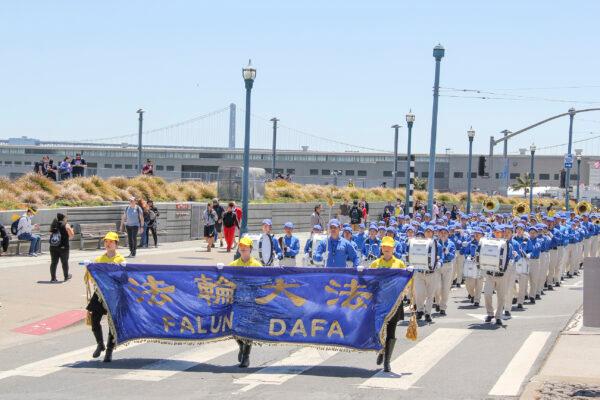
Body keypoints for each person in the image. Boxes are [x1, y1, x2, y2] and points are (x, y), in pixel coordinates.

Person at [369, 236, 408, 372]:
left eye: (389, 247)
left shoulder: (399, 264)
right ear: (381, 248)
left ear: (393, 249)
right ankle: (381, 351)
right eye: (384, 247)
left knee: (391, 331)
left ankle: (387, 361)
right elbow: (369, 281)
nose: (386, 249)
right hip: (379, 302)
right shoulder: (375, 264)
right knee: (378, 330)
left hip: (394, 303)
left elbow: (405, 282)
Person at [86, 231, 126, 363]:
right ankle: (100, 344)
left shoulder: (120, 260)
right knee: (94, 319)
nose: (108, 244)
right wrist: (89, 267)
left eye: (111, 242)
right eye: (106, 241)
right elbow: (93, 278)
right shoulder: (99, 259)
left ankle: (109, 351)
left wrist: (122, 270)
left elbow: (123, 279)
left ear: (116, 244)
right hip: (101, 294)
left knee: (112, 324)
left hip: (114, 295)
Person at [228, 236, 262, 368]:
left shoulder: (257, 265)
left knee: (248, 330)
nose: (243, 250)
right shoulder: (233, 265)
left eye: (245, 248)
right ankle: (241, 347)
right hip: (237, 301)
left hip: (251, 302)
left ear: (250, 249)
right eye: (241, 248)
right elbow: (226, 280)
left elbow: (263, 283)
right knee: (235, 329)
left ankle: (246, 357)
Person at [48, 213, 74, 282]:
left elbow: (50, 234)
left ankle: (53, 278)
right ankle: (66, 277)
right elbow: (71, 235)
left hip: (53, 246)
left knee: (53, 262)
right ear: (63, 218)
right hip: (63, 247)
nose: (66, 219)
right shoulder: (66, 225)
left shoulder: (54, 225)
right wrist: (72, 229)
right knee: (64, 262)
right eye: (66, 218)